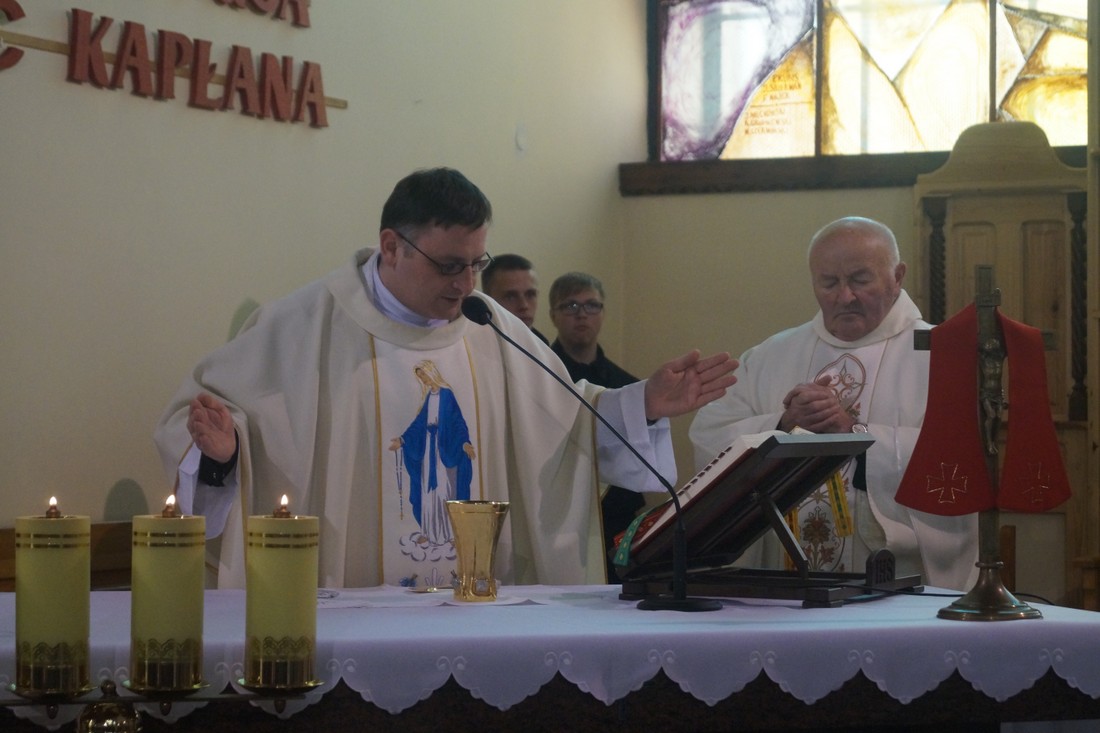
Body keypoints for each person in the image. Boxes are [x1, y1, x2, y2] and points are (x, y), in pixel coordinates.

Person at [156, 167, 737, 590]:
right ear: (392, 247)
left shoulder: (491, 328)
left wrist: (643, 404)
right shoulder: (303, 326)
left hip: (475, 610)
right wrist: (223, 454)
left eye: (476, 264)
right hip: (343, 616)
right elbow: (203, 421)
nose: (465, 284)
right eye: (449, 265)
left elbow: (566, 429)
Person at [689, 216, 978, 590]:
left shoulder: (939, 354)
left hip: (895, 581)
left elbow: (962, 458)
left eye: (860, 280)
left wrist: (854, 433)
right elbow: (709, 436)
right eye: (829, 283)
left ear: (897, 276)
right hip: (785, 587)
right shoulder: (770, 355)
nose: (845, 297)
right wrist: (781, 425)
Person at [548, 271, 645, 582]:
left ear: (602, 313)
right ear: (553, 315)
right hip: (555, 521)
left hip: (615, 521)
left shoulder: (627, 387)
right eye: (570, 306)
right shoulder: (540, 379)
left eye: (591, 305)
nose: (582, 315)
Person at [481, 253, 548, 343]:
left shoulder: (542, 344)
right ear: (487, 300)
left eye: (530, 295)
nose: (524, 305)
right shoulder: (471, 345)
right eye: (510, 297)